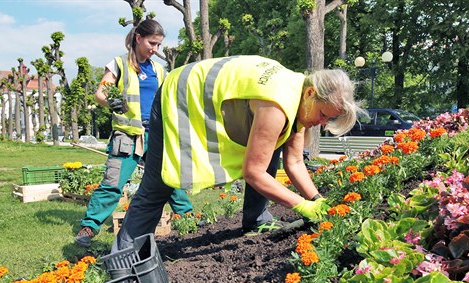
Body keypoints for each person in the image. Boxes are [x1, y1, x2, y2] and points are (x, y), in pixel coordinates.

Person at [113, 55, 363, 252]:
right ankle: (124, 259)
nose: (322, 123)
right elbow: (253, 172)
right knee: (158, 185)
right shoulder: (278, 103)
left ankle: (256, 219)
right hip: (181, 94)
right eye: (323, 115)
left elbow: (295, 162)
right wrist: (303, 206)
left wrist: (317, 200)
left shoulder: (301, 97)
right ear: (311, 94)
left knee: (270, 150)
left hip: (203, 93)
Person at [75, 19, 193, 247]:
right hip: (128, 137)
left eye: (158, 45)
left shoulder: (159, 69)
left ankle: (189, 220)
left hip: (157, 135)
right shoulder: (119, 64)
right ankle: (88, 228)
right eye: (152, 43)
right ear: (138, 37)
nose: (155, 49)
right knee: (113, 183)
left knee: (171, 179)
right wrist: (114, 103)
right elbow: (101, 93)